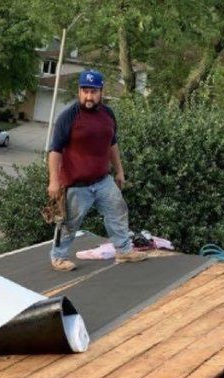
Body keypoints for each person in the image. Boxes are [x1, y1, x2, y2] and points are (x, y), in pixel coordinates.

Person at [46, 69, 147, 271]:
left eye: (93, 91)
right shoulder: (68, 117)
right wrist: (53, 181)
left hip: (103, 180)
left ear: (101, 92)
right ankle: (58, 257)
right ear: (79, 91)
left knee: (118, 210)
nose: (88, 96)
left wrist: (119, 171)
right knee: (69, 224)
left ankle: (124, 251)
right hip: (76, 185)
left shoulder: (108, 114)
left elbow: (113, 144)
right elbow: (55, 151)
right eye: (85, 91)